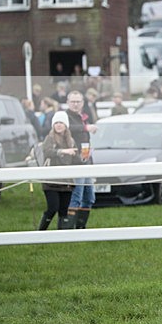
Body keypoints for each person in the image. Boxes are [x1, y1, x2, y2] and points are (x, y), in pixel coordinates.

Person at [37, 111, 78, 230]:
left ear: (66, 125)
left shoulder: (71, 141)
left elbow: (75, 159)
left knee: (63, 210)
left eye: (61, 122)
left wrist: (84, 158)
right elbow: (47, 151)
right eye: (56, 123)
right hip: (51, 181)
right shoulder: (49, 139)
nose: (59, 125)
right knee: (52, 208)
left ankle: (61, 235)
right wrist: (63, 151)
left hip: (66, 181)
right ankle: (41, 232)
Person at [65, 90, 97, 229]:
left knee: (89, 198)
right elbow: (68, 128)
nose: (76, 104)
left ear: (83, 103)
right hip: (74, 163)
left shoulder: (83, 116)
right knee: (76, 196)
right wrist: (86, 128)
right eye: (73, 101)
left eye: (78, 101)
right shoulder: (65, 117)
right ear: (68, 103)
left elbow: (86, 141)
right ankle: (69, 229)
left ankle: (80, 227)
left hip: (86, 162)